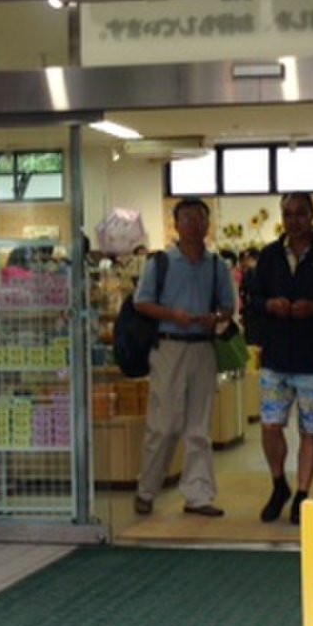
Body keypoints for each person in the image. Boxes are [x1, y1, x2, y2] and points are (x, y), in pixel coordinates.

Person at [132, 197, 237, 518]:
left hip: (203, 348)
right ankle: (146, 489)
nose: (195, 225)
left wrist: (215, 317)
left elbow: (228, 307)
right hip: (168, 347)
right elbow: (141, 302)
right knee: (163, 424)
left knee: (199, 427)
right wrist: (172, 315)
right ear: (177, 225)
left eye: (200, 219)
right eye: (188, 219)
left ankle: (198, 495)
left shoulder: (218, 266)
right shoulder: (161, 263)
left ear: (208, 224)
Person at [249, 192, 313, 524]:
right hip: (276, 357)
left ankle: (302, 494)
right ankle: (279, 484)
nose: (294, 220)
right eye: (288, 214)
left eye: (301, 213)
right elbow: (253, 300)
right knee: (270, 426)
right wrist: (269, 305)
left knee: (310, 430)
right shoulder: (270, 256)